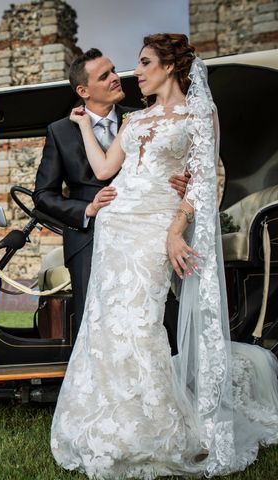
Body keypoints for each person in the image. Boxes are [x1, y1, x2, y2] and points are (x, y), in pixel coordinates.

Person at [50, 33, 278, 478]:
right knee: (105, 326)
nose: (137, 73)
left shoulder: (200, 114)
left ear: (169, 67)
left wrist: (177, 229)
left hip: (156, 227)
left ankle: (157, 429)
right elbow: (102, 170)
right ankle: (107, 428)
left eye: (144, 63)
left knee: (142, 323)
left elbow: (202, 179)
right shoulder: (134, 121)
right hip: (115, 227)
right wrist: (81, 127)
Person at [33, 48, 188, 351]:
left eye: (114, 70)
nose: (117, 78)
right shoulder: (60, 131)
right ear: (83, 90)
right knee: (97, 319)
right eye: (105, 76)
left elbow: (168, 161)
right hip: (87, 238)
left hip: (143, 232)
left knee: (156, 311)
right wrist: (87, 209)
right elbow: (43, 195)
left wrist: (182, 182)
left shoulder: (140, 118)